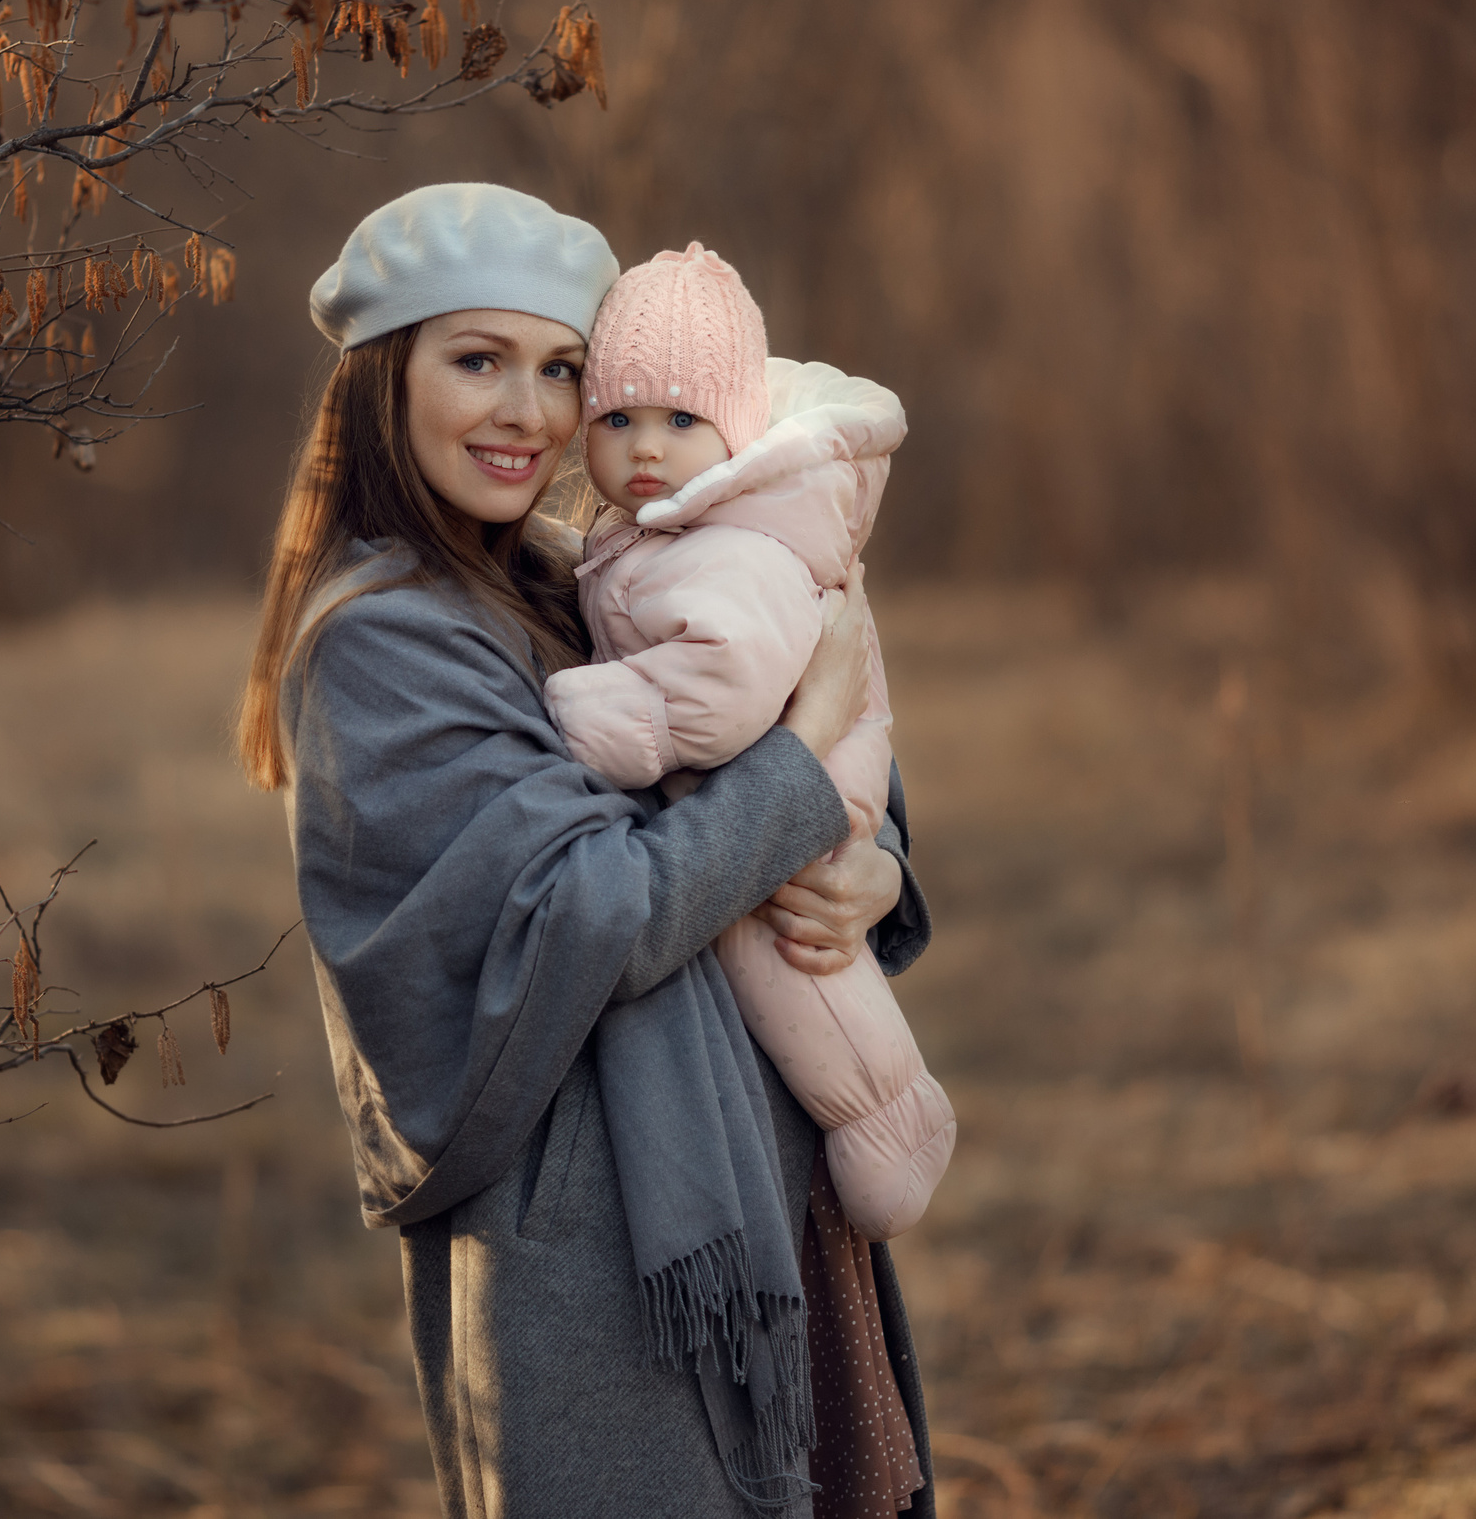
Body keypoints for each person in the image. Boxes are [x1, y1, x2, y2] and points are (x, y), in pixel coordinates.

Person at [238, 183, 937, 1519]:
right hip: (604, 1256)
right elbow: (590, 906)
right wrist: (803, 754)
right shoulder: (385, 638)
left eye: (563, 370)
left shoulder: (576, 571)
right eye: (477, 360)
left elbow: (799, 766)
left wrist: (872, 865)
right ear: (387, 377)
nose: (528, 411)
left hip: (754, 1185)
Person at [545, 242, 957, 1254]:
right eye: (618, 420)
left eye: (680, 421)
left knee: (795, 979)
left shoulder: (724, 544)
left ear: (734, 428)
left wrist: (605, 720)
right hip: (769, 808)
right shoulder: (654, 531)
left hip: (783, 818)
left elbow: (722, 694)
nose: (646, 448)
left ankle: (892, 1127)